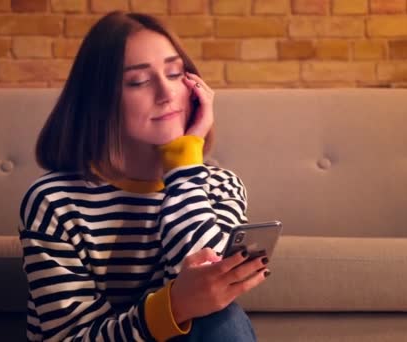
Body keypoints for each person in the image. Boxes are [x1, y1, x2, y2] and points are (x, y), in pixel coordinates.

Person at [19, 11, 270, 342]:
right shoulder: (54, 201)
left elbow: (209, 281)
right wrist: (173, 307)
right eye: (138, 81)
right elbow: (68, 338)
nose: (166, 93)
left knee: (220, 315)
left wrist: (183, 164)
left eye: (174, 73)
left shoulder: (222, 186)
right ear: (100, 100)